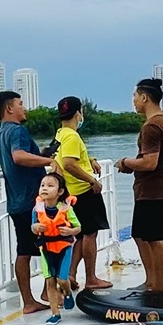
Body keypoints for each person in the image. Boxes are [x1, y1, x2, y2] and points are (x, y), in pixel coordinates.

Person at [0, 89, 53, 314]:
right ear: (9, 108)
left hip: (16, 201)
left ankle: (28, 300)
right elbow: (18, 157)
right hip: (30, 201)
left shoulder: (1, 133)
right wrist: (49, 161)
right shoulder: (17, 131)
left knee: (24, 251)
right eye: (20, 103)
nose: (24, 107)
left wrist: (40, 156)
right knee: (50, 246)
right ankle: (45, 293)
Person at [115, 77, 163, 296]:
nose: (133, 101)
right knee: (140, 234)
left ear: (144, 97)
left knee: (154, 237)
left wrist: (126, 163)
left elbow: (150, 162)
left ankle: (159, 286)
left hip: (153, 188)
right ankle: (150, 280)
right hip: (153, 187)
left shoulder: (152, 125)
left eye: (135, 96)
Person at [52, 97, 112, 290]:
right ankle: (91, 278)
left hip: (72, 193)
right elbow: (69, 163)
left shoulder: (61, 134)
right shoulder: (72, 136)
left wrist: (91, 158)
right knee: (90, 235)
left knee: (80, 235)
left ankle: (70, 275)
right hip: (83, 191)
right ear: (78, 113)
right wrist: (92, 180)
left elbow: (64, 158)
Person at [30, 170, 81, 322]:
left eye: (50, 185)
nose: (45, 188)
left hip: (64, 247)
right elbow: (32, 227)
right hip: (46, 248)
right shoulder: (37, 209)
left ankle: (66, 292)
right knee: (50, 281)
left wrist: (70, 230)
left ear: (60, 191)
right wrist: (36, 228)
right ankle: (55, 314)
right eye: (42, 185)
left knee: (62, 280)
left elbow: (78, 227)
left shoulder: (66, 209)